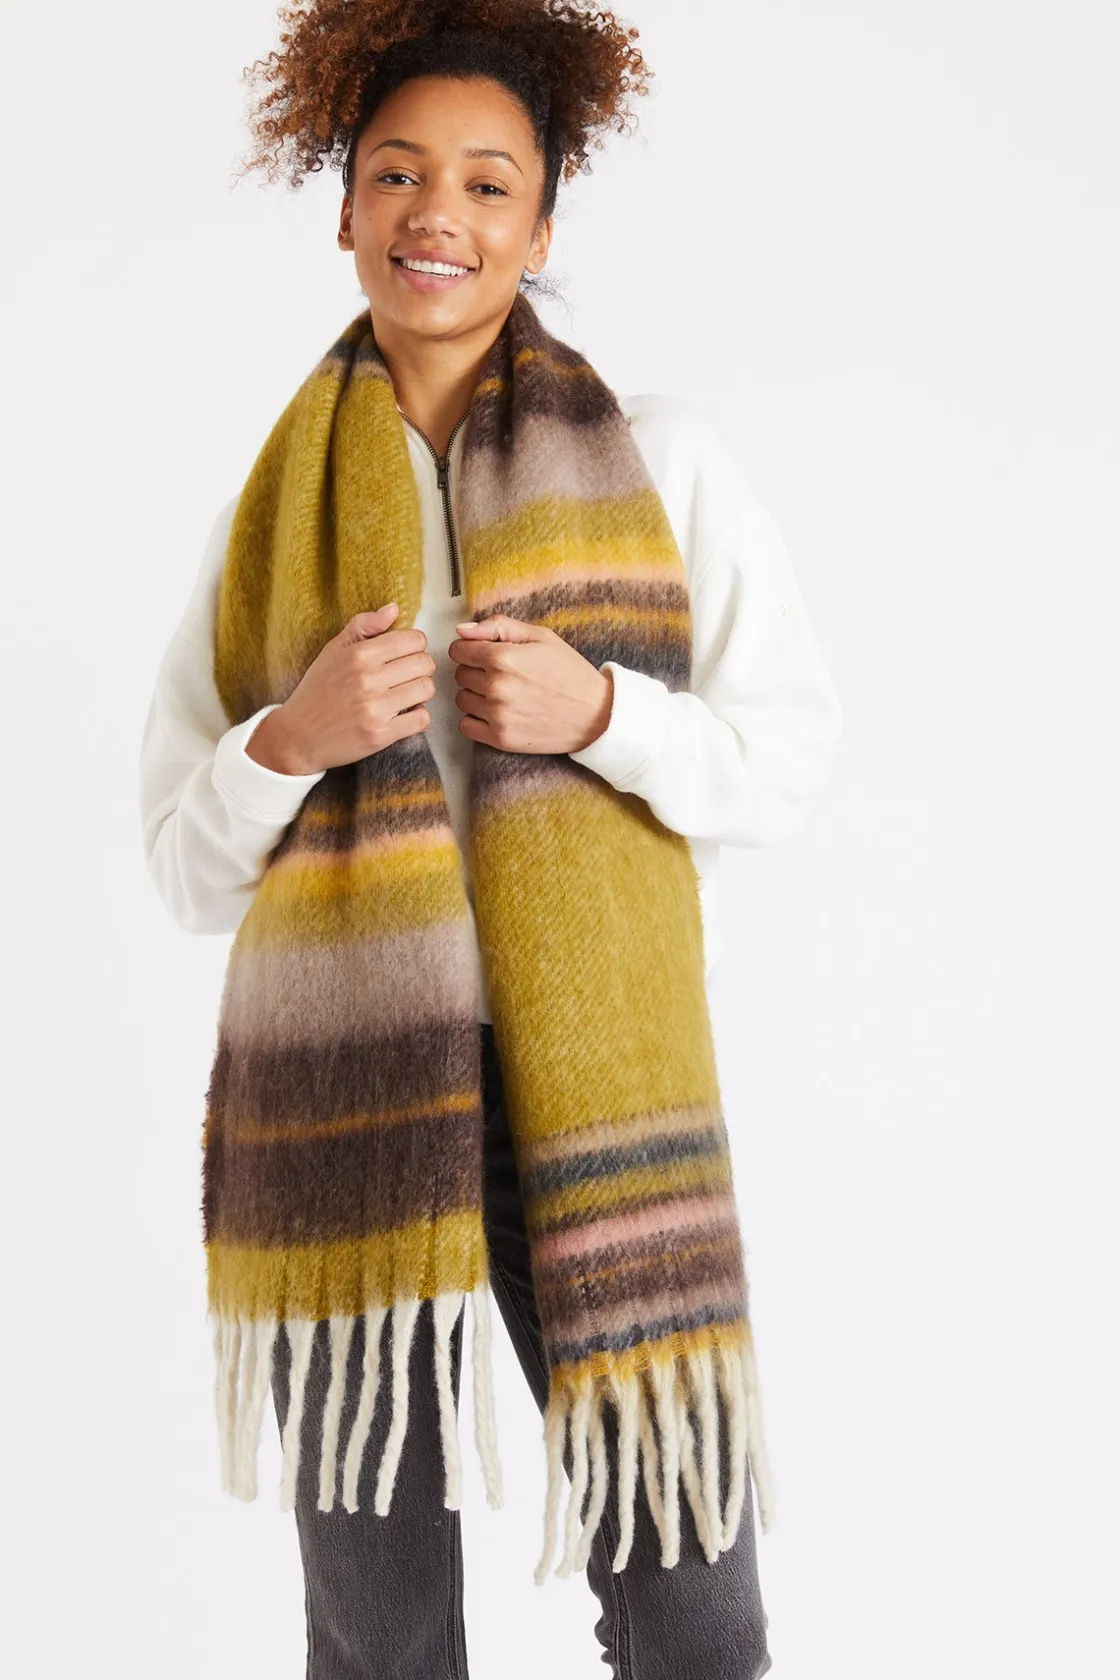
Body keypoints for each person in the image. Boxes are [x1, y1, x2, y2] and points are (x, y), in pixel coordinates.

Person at [138, 7, 842, 1677]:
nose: (434, 214)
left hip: (588, 1087)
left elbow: (788, 757)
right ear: (344, 207)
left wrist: (605, 715)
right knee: (378, 1637)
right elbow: (180, 862)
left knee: (695, 1611)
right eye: (397, 174)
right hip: (353, 1096)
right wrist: (290, 740)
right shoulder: (269, 521)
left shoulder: (661, 462)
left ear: (540, 221)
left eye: (484, 182)